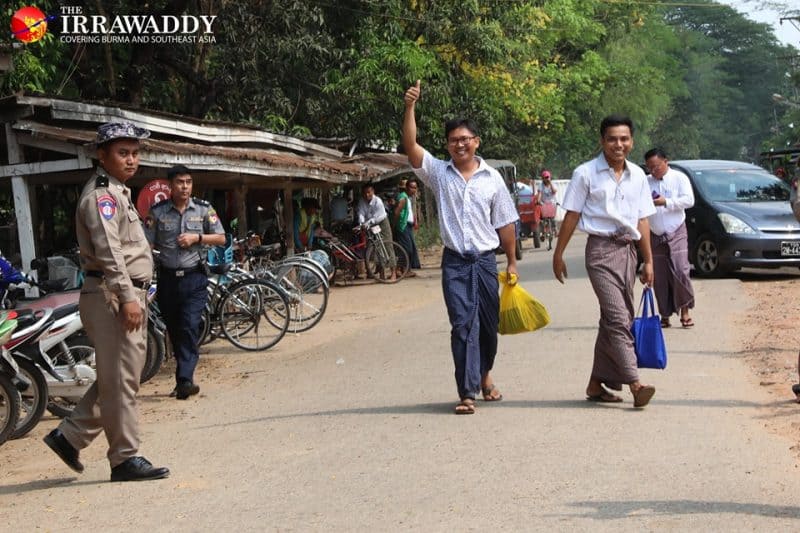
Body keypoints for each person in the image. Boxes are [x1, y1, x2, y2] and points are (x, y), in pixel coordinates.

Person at [43, 122, 170, 481]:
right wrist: (128, 296)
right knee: (121, 381)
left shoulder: (119, 191)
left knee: (120, 379)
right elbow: (110, 252)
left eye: (134, 153)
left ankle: (69, 438)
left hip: (125, 294)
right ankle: (124, 458)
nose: (131, 160)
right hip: (112, 296)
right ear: (102, 155)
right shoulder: (102, 196)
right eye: (122, 153)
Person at [403, 80, 519, 415]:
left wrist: (511, 262)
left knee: (487, 324)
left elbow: (506, 224)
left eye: (465, 139)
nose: (460, 145)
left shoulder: (492, 179)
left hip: (484, 262)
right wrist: (410, 105)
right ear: (448, 145)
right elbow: (410, 145)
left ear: (476, 142)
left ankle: (484, 376)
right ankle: (466, 391)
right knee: (462, 324)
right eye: (454, 140)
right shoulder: (439, 173)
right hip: (454, 262)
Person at [552, 114, 657, 408]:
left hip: (628, 252)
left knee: (610, 318)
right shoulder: (585, 173)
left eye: (624, 139)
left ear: (632, 142)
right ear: (602, 141)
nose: (618, 144)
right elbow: (572, 214)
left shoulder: (638, 176)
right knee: (618, 317)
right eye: (612, 139)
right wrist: (558, 254)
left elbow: (643, 220)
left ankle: (596, 383)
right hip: (599, 252)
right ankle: (635, 383)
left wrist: (648, 261)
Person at [145, 165, 226, 399]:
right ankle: (183, 377)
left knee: (189, 326)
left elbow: (221, 237)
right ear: (170, 185)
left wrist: (197, 237)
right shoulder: (157, 212)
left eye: (188, 182)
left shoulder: (203, 209)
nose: (185, 187)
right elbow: (146, 243)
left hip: (194, 277)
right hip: (168, 279)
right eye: (180, 182)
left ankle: (184, 380)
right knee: (174, 329)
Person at [644, 148, 696, 328]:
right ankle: (664, 314)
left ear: (666, 161)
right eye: (650, 167)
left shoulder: (679, 178)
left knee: (681, 270)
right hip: (655, 233)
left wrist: (666, 202)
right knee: (660, 275)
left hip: (677, 231)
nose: (653, 170)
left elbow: (689, 200)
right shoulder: (645, 182)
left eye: (656, 166)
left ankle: (685, 311)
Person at [356, 183, 396, 281]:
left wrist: (367, 223)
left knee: (387, 245)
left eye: (369, 192)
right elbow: (361, 213)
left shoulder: (378, 201)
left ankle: (393, 273)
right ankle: (381, 273)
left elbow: (377, 218)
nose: (367, 195)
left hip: (381, 222)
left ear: (373, 192)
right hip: (370, 224)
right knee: (375, 247)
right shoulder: (362, 201)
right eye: (365, 193)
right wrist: (361, 223)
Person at [393, 178, 421, 275]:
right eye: (411, 187)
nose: (413, 190)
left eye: (415, 188)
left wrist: (414, 222)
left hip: (408, 226)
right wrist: (397, 224)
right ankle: (400, 269)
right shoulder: (403, 197)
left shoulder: (408, 198)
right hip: (402, 226)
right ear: (407, 188)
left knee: (409, 248)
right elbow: (397, 212)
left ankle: (406, 270)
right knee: (406, 248)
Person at [537, 170, 558, 250]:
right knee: (543, 220)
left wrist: (551, 183)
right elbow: (539, 195)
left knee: (553, 219)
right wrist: (538, 201)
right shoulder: (541, 186)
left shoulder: (553, 184)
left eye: (548, 177)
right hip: (544, 204)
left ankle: (555, 230)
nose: (547, 179)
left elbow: (554, 191)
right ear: (543, 178)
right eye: (545, 177)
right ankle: (542, 233)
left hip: (552, 204)